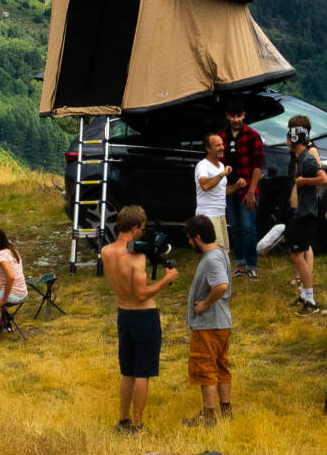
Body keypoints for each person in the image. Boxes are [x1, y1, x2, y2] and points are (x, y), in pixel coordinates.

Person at [100, 205, 176, 434]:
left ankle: (122, 420)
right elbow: (141, 294)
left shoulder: (106, 251)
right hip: (143, 315)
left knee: (128, 371)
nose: (143, 232)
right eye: (142, 228)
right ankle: (137, 424)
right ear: (134, 228)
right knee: (143, 372)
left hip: (123, 312)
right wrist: (167, 279)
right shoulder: (137, 257)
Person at [182, 213, 234, 426]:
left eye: (190, 238)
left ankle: (209, 415)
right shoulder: (220, 252)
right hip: (221, 322)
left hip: (209, 324)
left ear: (198, 237)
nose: (189, 243)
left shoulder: (212, 258)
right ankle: (226, 410)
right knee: (221, 366)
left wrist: (204, 304)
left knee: (206, 369)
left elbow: (221, 285)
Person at [284, 118, 327, 314]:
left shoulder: (307, 159)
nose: (286, 141)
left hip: (307, 212)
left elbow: (324, 180)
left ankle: (310, 300)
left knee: (298, 253)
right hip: (300, 211)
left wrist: (303, 181)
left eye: (288, 137)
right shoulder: (299, 157)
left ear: (295, 139)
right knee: (296, 253)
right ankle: (304, 295)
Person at [222, 100, 265, 277]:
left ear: (244, 115)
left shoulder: (253, 136)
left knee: (248, 227)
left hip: (248, 190)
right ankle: (240, 265)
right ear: (228, 116)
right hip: (229, 189)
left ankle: (251, 265)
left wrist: (251, 192)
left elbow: (258, 166)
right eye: (233, 116)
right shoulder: (222, 137)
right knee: (235, 227)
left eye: (239, 116)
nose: (236, 120)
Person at [194, 132, 229, 229]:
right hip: (208, 217)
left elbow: (222, 190)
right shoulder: (202, 165)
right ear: (208, 149)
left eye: (222, 144)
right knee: (214, 244)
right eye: (218, 145)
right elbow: (205, 185)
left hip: (221, 215)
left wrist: (238, 185)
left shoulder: (221, 165)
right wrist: (222, 174)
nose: (222, 147)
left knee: (223, 245)